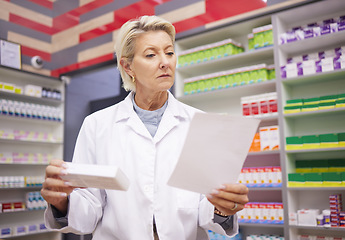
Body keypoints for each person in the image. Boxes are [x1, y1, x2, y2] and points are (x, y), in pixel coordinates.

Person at [41, 15, 249, 240]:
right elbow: (89, 210)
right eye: (151, 54)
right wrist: (62, 202)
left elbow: (204, 209)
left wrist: (222, 207)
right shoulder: (97, 125)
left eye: (169, 52)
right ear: (128, 66)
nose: (165, 62)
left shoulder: (198, 122)